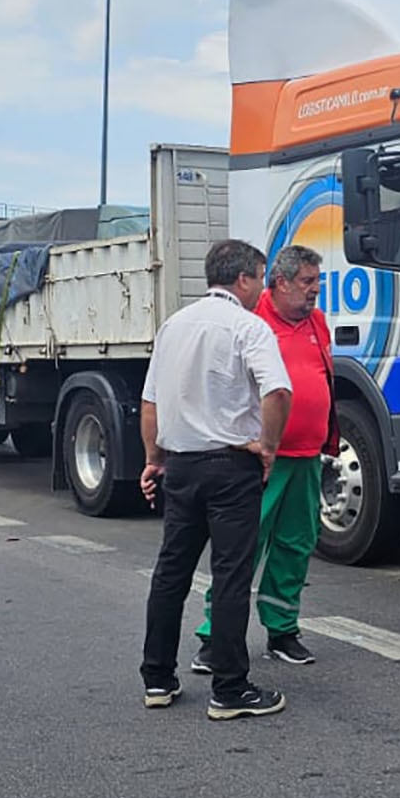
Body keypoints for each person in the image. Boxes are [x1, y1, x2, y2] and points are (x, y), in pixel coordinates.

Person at [138, 239, 293, 720]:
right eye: (260, 278)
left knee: (171, 573)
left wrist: (153, 458)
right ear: (243, 278)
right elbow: (278, 391)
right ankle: (229, 688)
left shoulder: (174, 325)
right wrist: (267, 447)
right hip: (231, 466)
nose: (261, 289)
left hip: (181, 465)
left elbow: (150, 402)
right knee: (230, 575)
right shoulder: (250, 327)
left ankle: (158, 678)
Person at [192, 244, 336, 672]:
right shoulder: (251, 322)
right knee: (242, 547)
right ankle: (213, 636)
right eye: (307, 283)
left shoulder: (318, 323)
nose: (315, 292)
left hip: (306, 456)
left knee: (295, 545)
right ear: (281, 282)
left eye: (317, 282)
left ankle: (282, 630)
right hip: (260, 458)